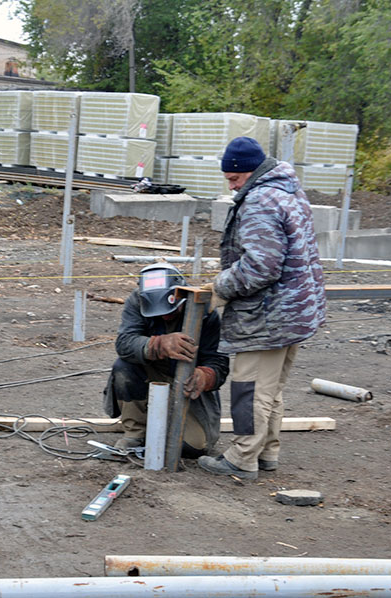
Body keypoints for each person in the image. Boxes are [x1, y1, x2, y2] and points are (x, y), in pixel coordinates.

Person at [197, 136, 326, 481]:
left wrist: (219, 286)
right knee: (270, 390)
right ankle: (267, 452)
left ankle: (241, 457)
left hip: (267, 316)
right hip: (295, 311)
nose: (231, 183)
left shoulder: (260, 201)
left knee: (249, 388)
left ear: (249, 172)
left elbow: (261, 267)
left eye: (234, 177)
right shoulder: (290, 192)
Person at [103, 263, 229, 458]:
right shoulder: (137, 301)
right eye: (160, 313)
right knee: (124, 367)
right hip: (151, 373)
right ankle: (136, 432)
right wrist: (158, 345)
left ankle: (169, 423)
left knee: (193, 447)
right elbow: (124, 343)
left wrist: (205, 376)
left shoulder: (205, 309)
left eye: (170, 311)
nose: (165, 316)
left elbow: (219, 361)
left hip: (187, 381)